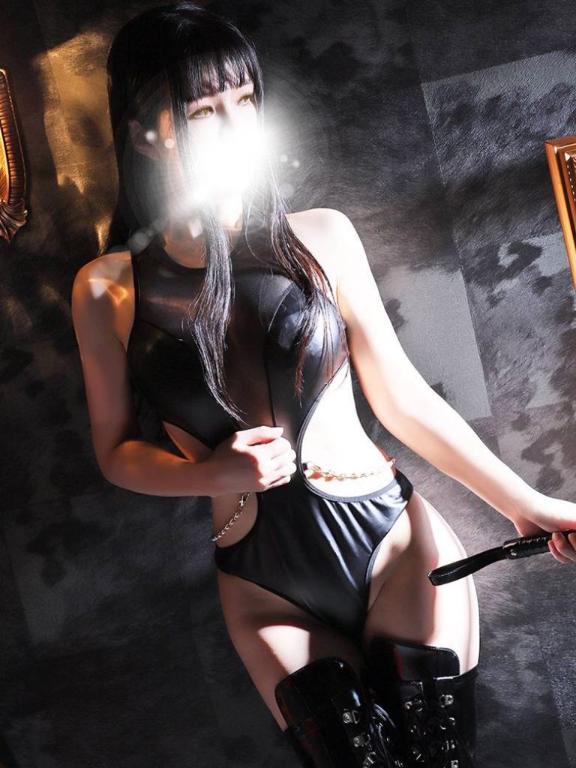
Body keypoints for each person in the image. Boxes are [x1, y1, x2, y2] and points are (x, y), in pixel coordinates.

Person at [70, 3, 576, 767]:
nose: (235, 124)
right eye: (204, 110)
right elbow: (115, 452)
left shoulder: (320, 236)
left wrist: (525, 504)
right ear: (145, 129)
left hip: (393, 544)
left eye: (245, 99)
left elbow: (401, 397)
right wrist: (215, 472)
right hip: (263, 582)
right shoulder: (106, 287)